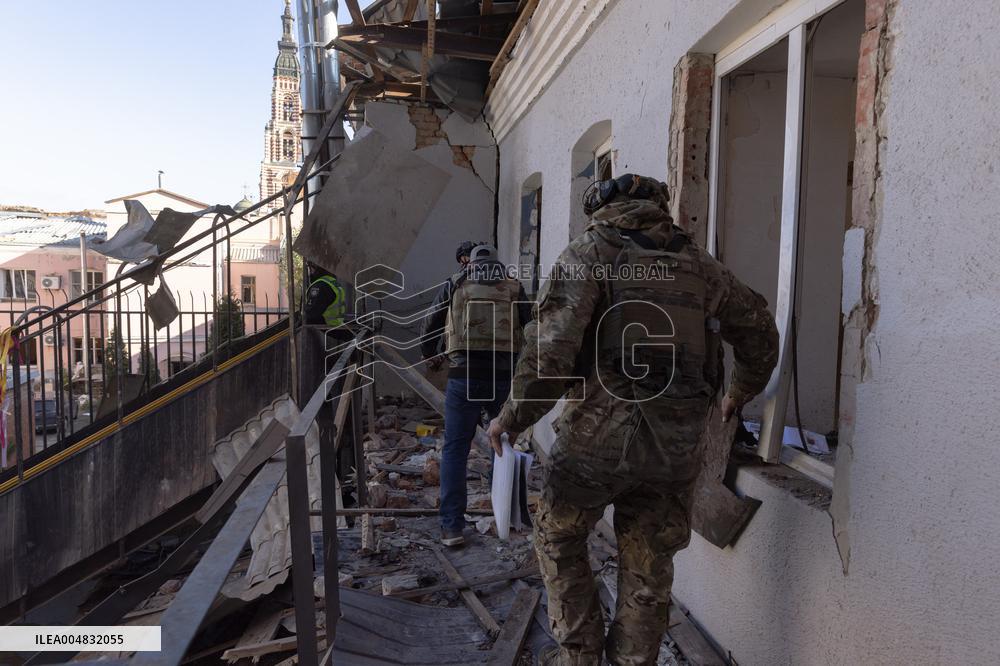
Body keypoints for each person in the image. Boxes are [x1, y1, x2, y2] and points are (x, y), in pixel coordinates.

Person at [486, 174, 779, 665]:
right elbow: (760, 335)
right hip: (676, 449)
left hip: (597, 440)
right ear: (660, 208)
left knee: (558, 532)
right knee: (649, 566)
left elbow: (550, 353)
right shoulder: (700, 265)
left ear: (601, 206)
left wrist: (512, 418)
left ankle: (579, 656)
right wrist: (738, 393)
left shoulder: (590, 253)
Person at [421, 242, 532, 546]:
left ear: (469, 262)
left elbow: (430, 322)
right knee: (505, 444)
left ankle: (452, 527)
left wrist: (429, 353)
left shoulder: (455, 283)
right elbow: (532, 327)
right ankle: (509, 519)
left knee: (456, 450)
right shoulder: (513, 286)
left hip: (463, 377)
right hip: (502, 378)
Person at [302, 262, 347, 327]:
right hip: (336, 326)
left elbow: (311, 314)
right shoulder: (332, 282)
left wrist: (299, 322)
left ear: (315, 268)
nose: (310, 272)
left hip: (324, 329)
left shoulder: (320, 286)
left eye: (310, 267)